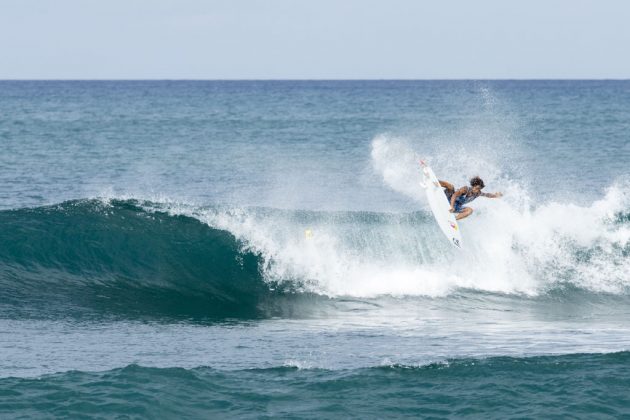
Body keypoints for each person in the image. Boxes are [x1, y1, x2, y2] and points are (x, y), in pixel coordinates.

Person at [438, 176, 503, 220]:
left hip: (456, 207)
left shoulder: (478, 193)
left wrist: (495, 196)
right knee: (451, 186)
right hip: (448, 198)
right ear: (473, 186)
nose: (477, 190)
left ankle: (453, 219)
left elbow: (487, 195)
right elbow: (454, 195)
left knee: (470, 210)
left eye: (479, 189)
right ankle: (433, 181)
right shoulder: (465, 189)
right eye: (477, 188)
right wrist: (451, 206)